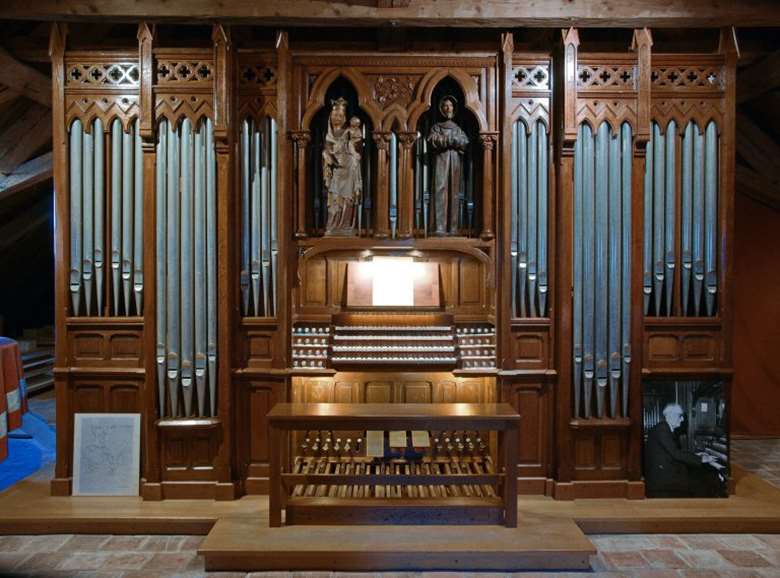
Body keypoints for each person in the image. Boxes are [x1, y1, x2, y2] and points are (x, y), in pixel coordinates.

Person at [645, 402, 721, 497]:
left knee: (701, 475)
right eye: (680, 416)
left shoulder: (664, 428)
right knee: (703, 480)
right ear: (670, 416)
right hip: (662, 479)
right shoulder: (662, 429)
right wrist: (701, 459)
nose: (682, 419)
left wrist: (696, 456)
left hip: (664, 472)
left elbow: (674, 451)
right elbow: (675, 453)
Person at [427, 95, 469, 235]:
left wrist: (451, 140)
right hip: (441, 160)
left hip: (455, 161)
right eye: (445, 105)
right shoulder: (437, 127)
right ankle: (439, 226)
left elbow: (464, 142)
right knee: (440, 189)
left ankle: (453, 227)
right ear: (441, 108)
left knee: (454, 192)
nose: (448, 108)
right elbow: (432, 140)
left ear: (454, 109)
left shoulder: (458, 128)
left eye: (450, 106)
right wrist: (450, 140)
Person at [322, 98, 362, 235]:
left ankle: (346, 224)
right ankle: (333, 225)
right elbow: (327, 150)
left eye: (339, 115)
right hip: (337, 170)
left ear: (344, 117)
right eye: (334, 115)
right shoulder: (329, 135)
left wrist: (355, 131)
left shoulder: (348, 131)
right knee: (334, 199)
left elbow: (357, 143)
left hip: (349, 167)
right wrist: (326, 155)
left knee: (347, 198)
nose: (336, 118)